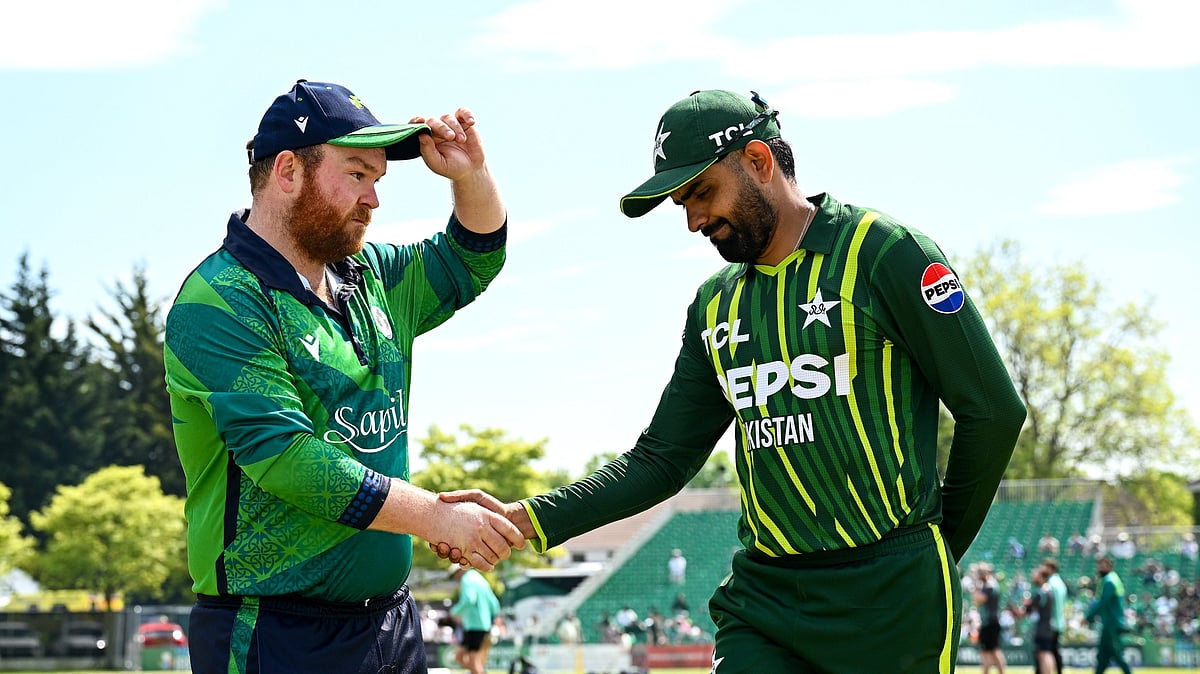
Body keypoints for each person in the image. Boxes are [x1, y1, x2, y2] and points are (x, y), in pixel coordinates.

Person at [435, 88, 1026, 671]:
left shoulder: (885, 253)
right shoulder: (714, 305)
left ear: (760, 161)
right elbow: (663, 458)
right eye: (682, 204)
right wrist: (527, 519)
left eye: (702, 193)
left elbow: (993, 410)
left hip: (892, 599)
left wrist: (941, 545)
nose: (693, 220)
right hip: (766, 599)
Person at [163, 79, 525, 674]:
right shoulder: (219, 300)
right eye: (357, 175)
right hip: (271, 630)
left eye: (377, 180)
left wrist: (470, 175)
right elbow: (289, 460)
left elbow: (476, 255)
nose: (373, 200)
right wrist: (436, 515)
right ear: (287, 171)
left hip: (390, 622)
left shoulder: (374, 277)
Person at [1086, 556, 1132, 674]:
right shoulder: (1107, 579)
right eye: (1099, 565)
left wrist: (1088, 617)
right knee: (1103, 657)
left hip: (1112, 623)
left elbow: (1103, 602)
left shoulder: (1110, 580)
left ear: (1110, 566)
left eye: (1104, 565)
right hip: (1108, 623)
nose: (1100, 567)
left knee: (1117, 655)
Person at [450, 566, 501, 674]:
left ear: (460, 570)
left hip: (475, 625)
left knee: (473, 661)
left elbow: (469, 599)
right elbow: (494, 603)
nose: (455, 577)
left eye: (455, 574)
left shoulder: (467, 580)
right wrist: (493, 619)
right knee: (464, 658)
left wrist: (454, 612)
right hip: (483, 625)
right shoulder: (480, 579)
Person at [974, 564, 1008, 674]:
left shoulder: (989, 585)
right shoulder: (990, 584)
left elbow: (979, 599)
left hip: (990, 622)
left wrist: (976, 586)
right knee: (989, 651)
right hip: (990, 622)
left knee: (992, 651)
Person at [1023, 566, 1056, 674]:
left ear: (1042, 577)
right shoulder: (1049, 590)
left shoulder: (1041, 592)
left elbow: (1029, 609)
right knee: (1047, 652)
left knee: (1043, 654)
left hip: (1042, 626)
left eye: (1036, 575)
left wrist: (1027, 604)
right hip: (1048, 625)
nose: (1034, 577)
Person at [1041, 558, 1068, 674]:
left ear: (1051, 568)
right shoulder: (1060, 582)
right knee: (1055, 650)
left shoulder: (1051, 583)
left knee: (1049, 651)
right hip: (1059, 621)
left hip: (1051, 622)